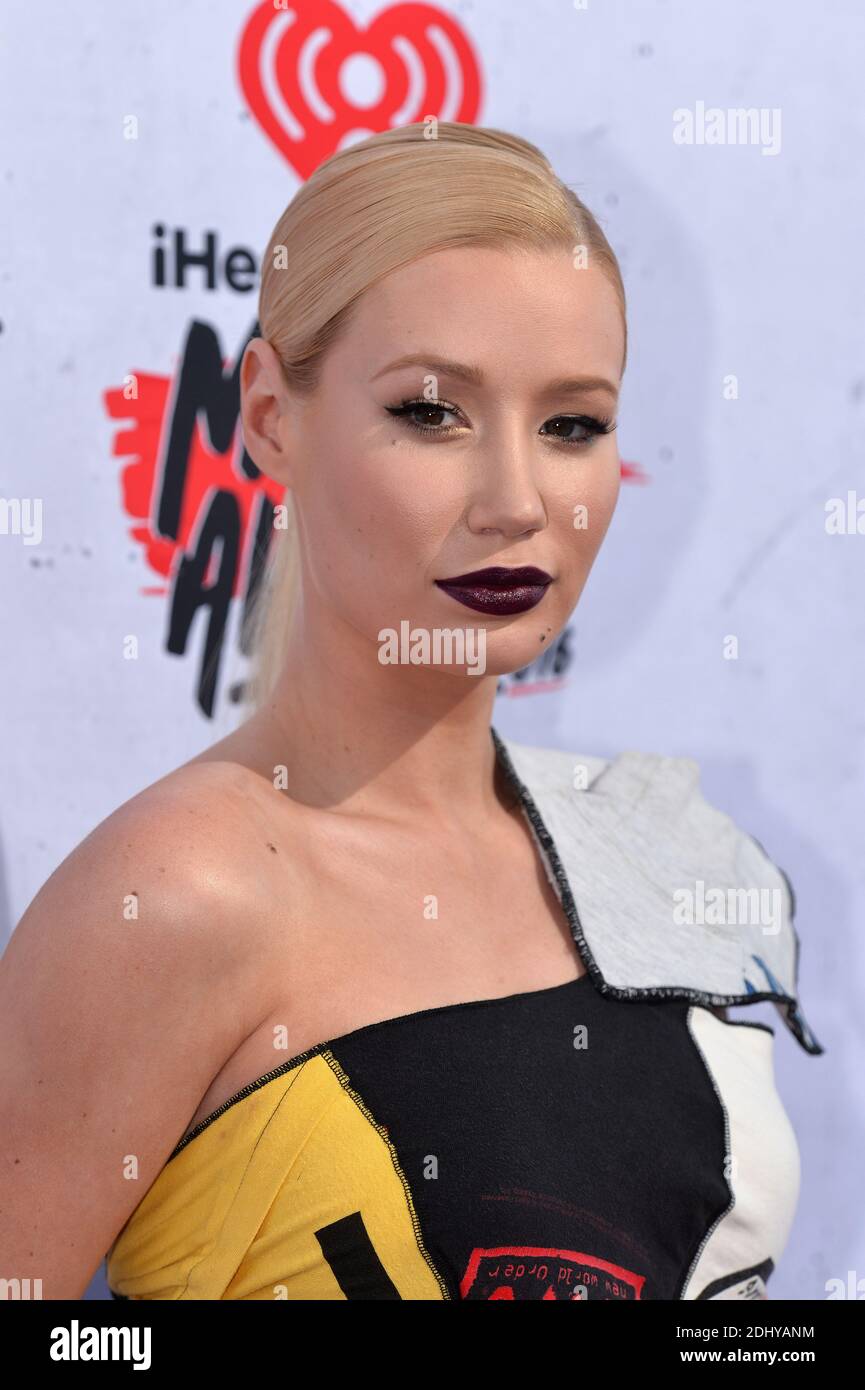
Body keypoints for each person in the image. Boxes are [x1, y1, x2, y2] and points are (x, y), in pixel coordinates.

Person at [0, 121, 822, 1302]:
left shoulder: (656, 855)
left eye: (572, 424)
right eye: (433, 412)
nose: (515, 500)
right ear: (274, 417)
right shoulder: (174, 899)